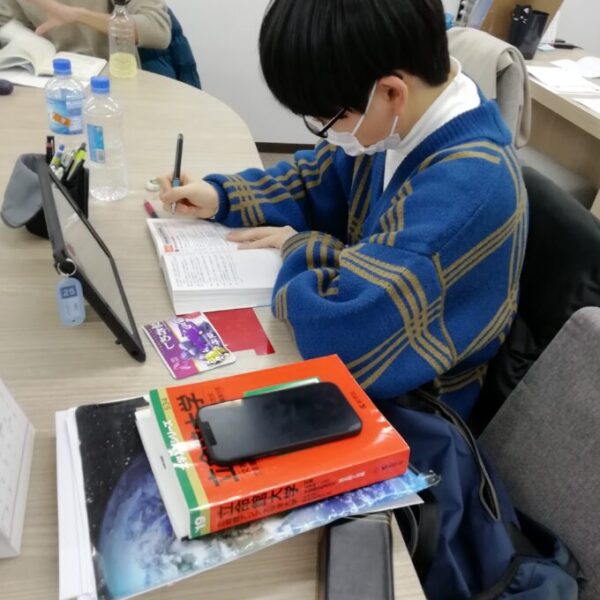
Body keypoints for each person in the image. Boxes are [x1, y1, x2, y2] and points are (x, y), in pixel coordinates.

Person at [158, 0, 528, 421]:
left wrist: (301, 245)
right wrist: (223, 195)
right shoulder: (411, 117)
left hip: (411, 406)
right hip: (375, 341)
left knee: (214, 408)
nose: (328, 133)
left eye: (329, 118)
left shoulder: (465, 191)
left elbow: (340, 338)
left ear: (391, 92)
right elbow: (314, 178)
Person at [0, 0, 170, 59]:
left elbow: (157, 29)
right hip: (48, 84)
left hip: (110, 80)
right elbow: (6, 28)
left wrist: (80, 16)